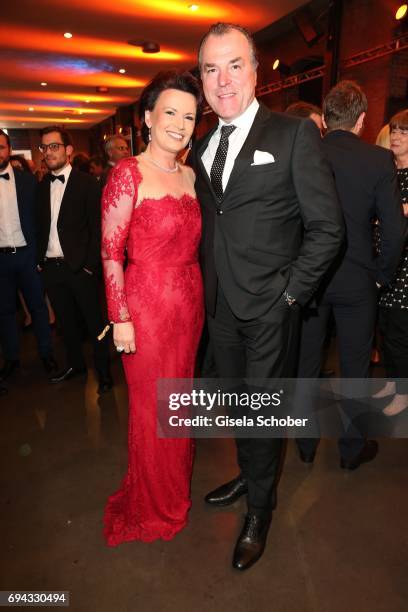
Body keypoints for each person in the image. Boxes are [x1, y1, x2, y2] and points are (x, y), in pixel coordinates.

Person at [192, 22, 344, 571]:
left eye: (235, 65)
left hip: (271, 311)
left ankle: (261, 506)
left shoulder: (293, 134)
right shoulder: (202, 146)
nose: (223, 79)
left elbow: (329, 229)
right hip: (221, 310)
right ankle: (247, 474)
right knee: (237, 405)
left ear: (256, 71)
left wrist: (290, 296)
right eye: (211, 68)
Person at [101, 71, 204, 545]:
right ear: (147, 118)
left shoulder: (189, 173)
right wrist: (120, 316)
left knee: (179, 405)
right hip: (146, 310)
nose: (181, 123)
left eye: (189, 114)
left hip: (190, 306)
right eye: (171, 112)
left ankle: (174, 491)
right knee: (152, 409)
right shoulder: (128, 173)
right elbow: (110, 252)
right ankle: (153, 503)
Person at [296, 82, 404, 464]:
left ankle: (305, 447)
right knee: (355, 368)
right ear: (361, 121)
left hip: (311, 278)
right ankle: (350, 450)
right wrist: (381, 275)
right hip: (359, 279)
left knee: (306, 364)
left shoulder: (306, 153)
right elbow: (395, 229)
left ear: (324, 119)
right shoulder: (378, 160)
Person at [36, 126, 112, 394]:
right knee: (67, 325)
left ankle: (104, 372)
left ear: (68, 150)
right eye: (44, 147)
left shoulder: (87, 183)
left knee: (95, 325)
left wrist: (90, 266)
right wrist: (39, 261)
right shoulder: (40, 186)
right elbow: (39, 225)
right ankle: (75, 365)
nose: (48, 152)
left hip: (82, 269)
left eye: (54, 146)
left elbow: (98, 229)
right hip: (52, 269)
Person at [0, 129, 57, 382]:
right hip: (1, 260)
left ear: (9, 150)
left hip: (27, 256)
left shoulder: (27, 181)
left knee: (38, 308)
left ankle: (47, 353)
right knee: (5, 312)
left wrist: (39, 256)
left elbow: (40, 220)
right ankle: (11, 358)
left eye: (1, 147)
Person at [377, 109, 408, 416]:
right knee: (384, 327)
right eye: (395, 131)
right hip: (383, 261)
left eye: (404, 132)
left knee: (399, 333)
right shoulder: (387, 171)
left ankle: (403, 392)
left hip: (405, 267)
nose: (397, 137)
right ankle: (391, 381)